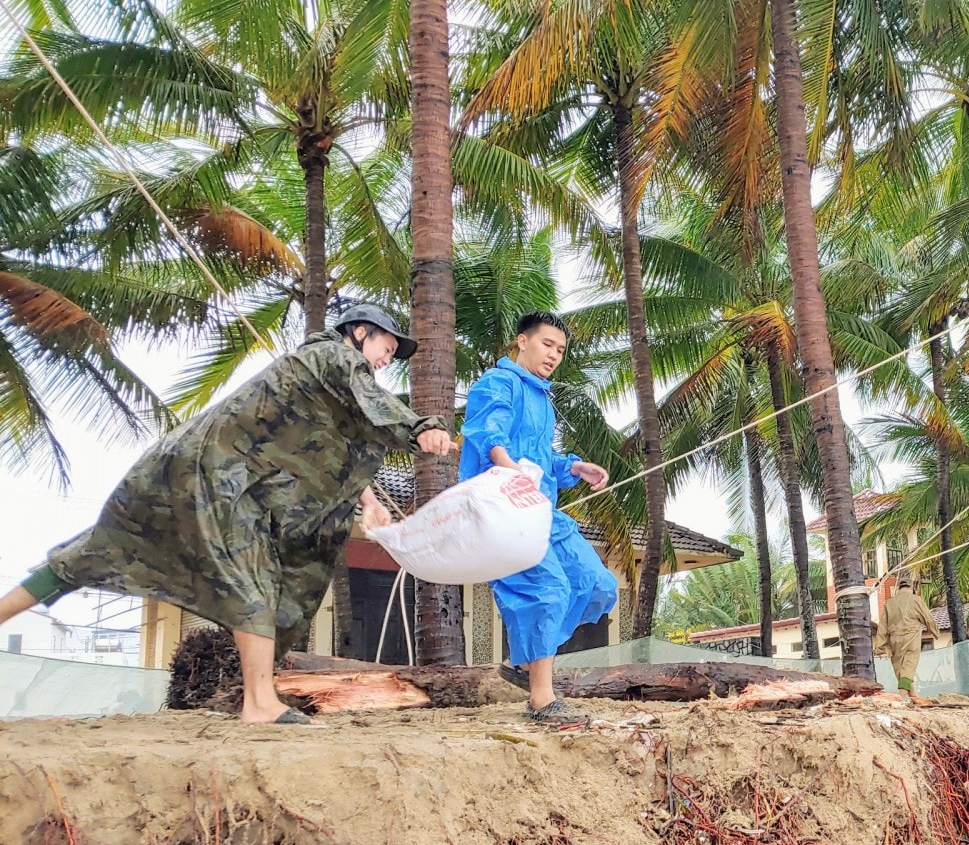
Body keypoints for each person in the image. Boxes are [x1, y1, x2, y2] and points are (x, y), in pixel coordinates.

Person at [0, 305, 454, 724]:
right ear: (359, 333)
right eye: (386, 348)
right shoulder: (335, 358)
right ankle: (259, 703)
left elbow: (332, 446)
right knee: (255, 583)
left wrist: (369, 500)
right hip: (216, 481)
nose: (386, 360)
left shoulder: (315, 375)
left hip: (177, 471)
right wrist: (421, 428)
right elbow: (370, 403)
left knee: (92, 554)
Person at [460, 311, 618, 724]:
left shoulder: (542, 399)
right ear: (521, 341)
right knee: (547, 589)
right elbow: (485, 429)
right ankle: (542, 699)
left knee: (596, 583)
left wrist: (574, 468)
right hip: (504, 509)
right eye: (547, 344)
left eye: (561, 350)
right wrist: (504, 462)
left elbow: (541, 457)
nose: (554, 355)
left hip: (543, 512)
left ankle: (524, 660)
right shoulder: (499, 382)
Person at [874, 576, 941, 700]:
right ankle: (901, 697)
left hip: (894, 640)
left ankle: (913, 695)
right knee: (908, 668)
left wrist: (880, 646)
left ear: (900, 588)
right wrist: (935, 631)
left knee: (900, 669)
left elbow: (882, 626)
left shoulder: (889, 603)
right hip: (911, 638)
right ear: (911, 588)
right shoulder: (915, 599)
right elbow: (927, 617)